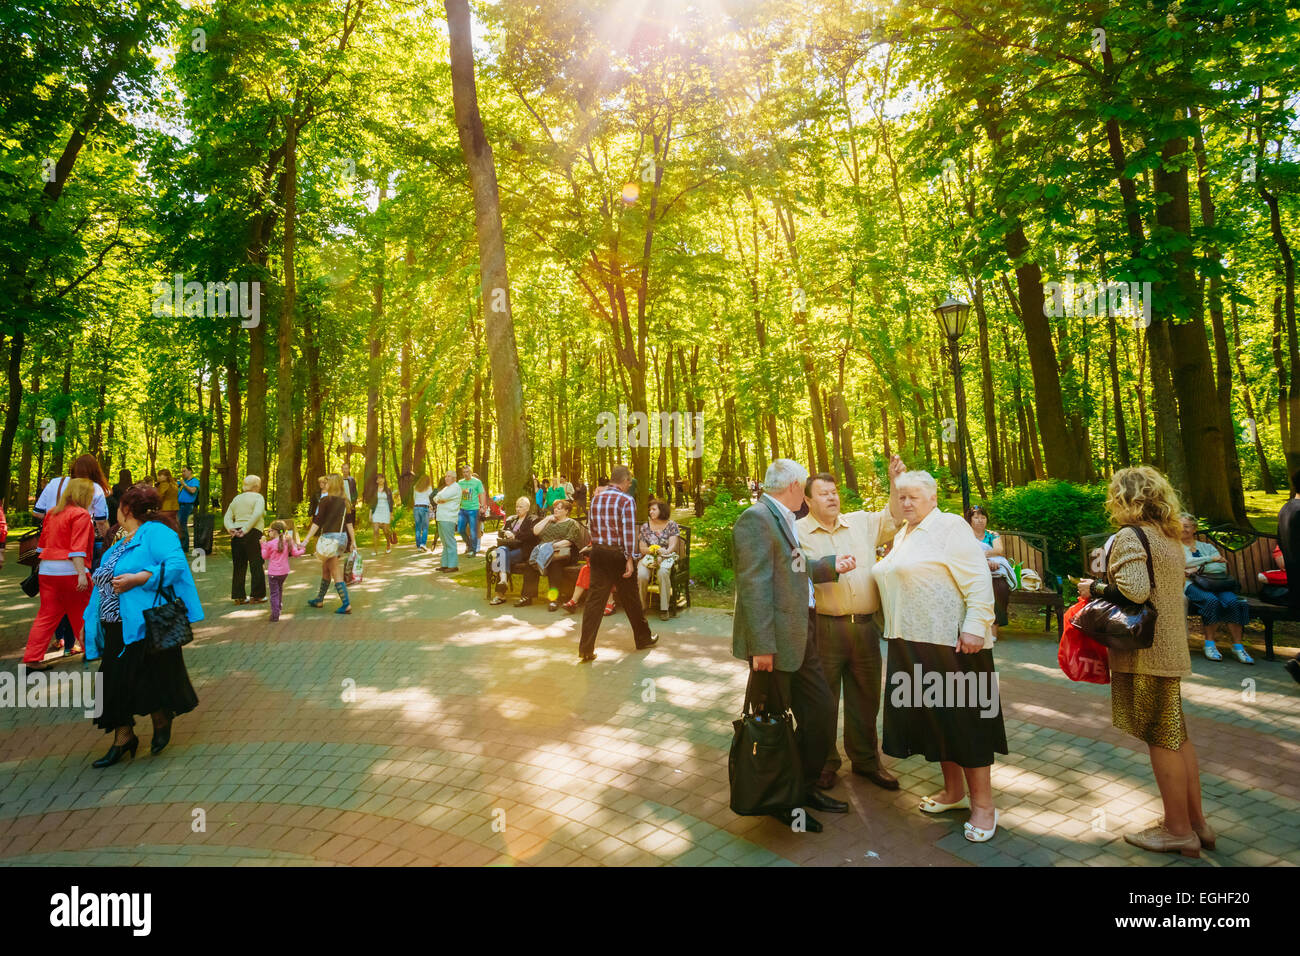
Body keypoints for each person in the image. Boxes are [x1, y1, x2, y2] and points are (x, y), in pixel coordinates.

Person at [1077, 466, 1209, 857]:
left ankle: (1178, 831)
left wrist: (1093, 587)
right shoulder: (1167, 536)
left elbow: (1134, 591)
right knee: (1177, 736)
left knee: (1161, 738)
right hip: (1168, 648)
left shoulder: (1131, 536)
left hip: (1146, 653)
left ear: (1123, 498)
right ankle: (1197, 823)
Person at [873, 470, 1004, 843]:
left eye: (914, 496)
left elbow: (978, 578)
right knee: (937, 721)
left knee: (966, 724)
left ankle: (983, 806)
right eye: (901, 496)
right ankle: (953, 793)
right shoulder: (904, 534)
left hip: (954, 645)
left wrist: (976, 625)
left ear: (932, 498)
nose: (907, 502)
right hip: (911, 641)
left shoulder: (949, 526)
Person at [732, 459, 854, 832]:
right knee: (774, 726)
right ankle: (781, 800)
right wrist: (763, 648)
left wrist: (830, 566)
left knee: (820, 713)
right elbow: (754, 587)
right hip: (775, 646)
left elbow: (792, 569)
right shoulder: (756, 518)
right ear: (795, 487)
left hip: (801, 637)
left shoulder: (780, 516)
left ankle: (801, 788)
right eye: (804, 486)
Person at [797, 458, 905, 793]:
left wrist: (895, 481)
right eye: (823, 493)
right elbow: (794, 568)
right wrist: (829, 565)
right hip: (825, 627)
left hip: (865, 628)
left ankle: (866, 761)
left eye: (834, 492)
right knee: (823, 700)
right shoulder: (797, 531)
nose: (832, 497)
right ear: (808, 501)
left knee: (866, 697)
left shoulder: (860, 523)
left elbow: (895, 517)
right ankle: (825, 763)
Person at [83, 482, 201, 767]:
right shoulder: (122, 539)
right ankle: (124, 738)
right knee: (110, 682)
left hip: (143, 622)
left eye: (120, 507)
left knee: (145, 678)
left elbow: (175, 565)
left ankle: (160, 719)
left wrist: (139, 578)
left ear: (126, 508)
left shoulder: (156, 532)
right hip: (114, 624)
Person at [579, 465, 659, 663]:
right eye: (629, 482)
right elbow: (628, 532)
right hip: (618, 555)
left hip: (598, 553)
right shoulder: (626, 500)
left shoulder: (596, 498)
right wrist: (630, 559)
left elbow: (591, 527)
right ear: (624, 481)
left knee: (594, 602)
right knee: (631, 598)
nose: (629, 486)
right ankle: (643, 638)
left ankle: (586, 648)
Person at [21, 478, 95, 667]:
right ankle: (93, 650)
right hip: (71, 571)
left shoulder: (52, 513)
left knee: (46, 615)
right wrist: (81, 574)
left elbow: (42, 545)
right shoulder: (81, 515)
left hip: (47, 570)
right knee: (84, 613)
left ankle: (32, 658)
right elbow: (77, 549)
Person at [1180, 515, 1253, 664]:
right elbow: (1183, 563)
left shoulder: (1206, 547)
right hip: (1191, 585)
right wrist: (1209, 560)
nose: (1183, 529)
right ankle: (1209, 645)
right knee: (1211, 601)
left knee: (1234, 602)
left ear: (1194, 529)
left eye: (1187, 526)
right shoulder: (1175, 547)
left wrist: (1195, 569)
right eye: (1180, 525)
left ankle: (1238, 647)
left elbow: (1221, 566)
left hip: (1217, 583)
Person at [301, 473, 357, 613]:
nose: (325, 485)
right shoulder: (345, 501)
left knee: (335, 570)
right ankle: (319, 599)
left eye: (327, 482)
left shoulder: (325, 500)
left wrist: (306, 539)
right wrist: (353, 541)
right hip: (342, 538)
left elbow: (317, 522)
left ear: (332, 484)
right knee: (326, 568)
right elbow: (349, 523)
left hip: (330, 539)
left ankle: (346, 604)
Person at [965, 505, 1013, 633]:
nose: (980, 520)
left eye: (983, 517)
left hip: (994, 571)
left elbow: (998, 550)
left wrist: (985, 559)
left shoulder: (992, 535)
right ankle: (974, 626)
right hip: (973, 571)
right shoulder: (965, 535)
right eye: (976, 517)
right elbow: (964, 553)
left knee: (1001, 588)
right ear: (970, 520)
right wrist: (984, 561)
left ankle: (995, 625)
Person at [222, 475, 267, 605]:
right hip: (253, 532)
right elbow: (257, 514)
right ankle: (258, 595)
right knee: (256, 563)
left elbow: (227, 517)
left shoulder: (236, 498)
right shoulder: (258, 497)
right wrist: (246, 529)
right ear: (256, 487)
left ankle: (238, 596)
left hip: (236, 533)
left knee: (239, 565)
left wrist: (231, 528)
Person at [637, 500, 681, 621]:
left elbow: (673, 546)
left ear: (662, 510)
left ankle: (664, 608)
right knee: (642, 575)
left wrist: (663, 554)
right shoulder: (645, 527)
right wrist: (654, 552)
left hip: (666, 556)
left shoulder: (671, 525)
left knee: (662, 573)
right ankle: (642, 605)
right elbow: (642, 548)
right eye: (650, 510)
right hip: (649, 556)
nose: (650, 512)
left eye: (654, 509)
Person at [490, 496, 538, 604]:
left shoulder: (532, 519)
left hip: (524, 549)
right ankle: (503, 581)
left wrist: (514, 535)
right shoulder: (512, 519)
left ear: (527, 508)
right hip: (509, 548)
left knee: (500, 557)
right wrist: (506, 533)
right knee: (501, 551)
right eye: (517, 507)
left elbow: (531, 535)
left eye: (521, 507)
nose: (517, 509)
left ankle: (500, 594)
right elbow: (501, 532)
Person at [261, 520, 306, 623]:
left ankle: (275, 614)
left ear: (275, 531)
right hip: (284, 572)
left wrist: (263, 545)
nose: (269, 533)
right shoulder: (287, 541)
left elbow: (264, 556)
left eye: (269, 530)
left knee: (274, 593)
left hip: (273, 573)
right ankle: (279, 608)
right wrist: (303, 550)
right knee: (279, 590)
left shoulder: (270, 543)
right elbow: (295, 553)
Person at [434, 471, 461, 572]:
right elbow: (435, 498)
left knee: (450, 542)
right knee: (445, 543)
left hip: (448, 517)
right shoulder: (446, 488)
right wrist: (439, 499)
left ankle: (453, 565)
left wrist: (440, 499)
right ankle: (445, 564)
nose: (446, 478)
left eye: (449, 476)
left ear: (454, 478)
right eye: (445, 476)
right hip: (441, 517)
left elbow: (442, 497)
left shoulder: (455, 487)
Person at [457, 465, 487, 558]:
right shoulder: (460, 482)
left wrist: (482, 506)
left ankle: (472, 551)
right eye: (464, 472)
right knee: (460, 529)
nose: (465, 474)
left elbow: (482, 494)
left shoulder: (477, 482)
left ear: (471, 472)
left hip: (473, 509)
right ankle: (470, 545)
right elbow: (456, 494)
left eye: (467, 472)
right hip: (462, 509)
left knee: (473, 531)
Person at [177, 466, 199, 552]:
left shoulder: (194, 481)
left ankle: (185, 546)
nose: (183, 473)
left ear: (190, 471)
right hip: (180, 505)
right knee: (179, 525)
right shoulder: (183, 481)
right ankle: (181, 545)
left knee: (182, 524)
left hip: (187, 505)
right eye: (182, 472)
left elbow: (193, 491)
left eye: (184, 471)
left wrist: (184, 484)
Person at [371, 473, 395, 555]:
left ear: (384, 480)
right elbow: (372, 503)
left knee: (386, 530)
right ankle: (375, 550)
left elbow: (391, 502)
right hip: (376, 511)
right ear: (376, 481)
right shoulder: (374, 490)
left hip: (386, 511)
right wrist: (370, 513)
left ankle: (388, 545)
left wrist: (391, 513)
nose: (380, 480)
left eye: (382, 478)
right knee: (375, 530)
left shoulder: (388, 490)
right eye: (378, 479)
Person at [412, 475, 434, 552]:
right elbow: (431, 498)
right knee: (425, 527)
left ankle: (418, 546)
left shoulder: (415, 487)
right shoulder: (428, 488)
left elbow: (414, 498)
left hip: (416, 507)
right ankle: (423, 544)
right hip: (424, 507)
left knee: (418, 528)